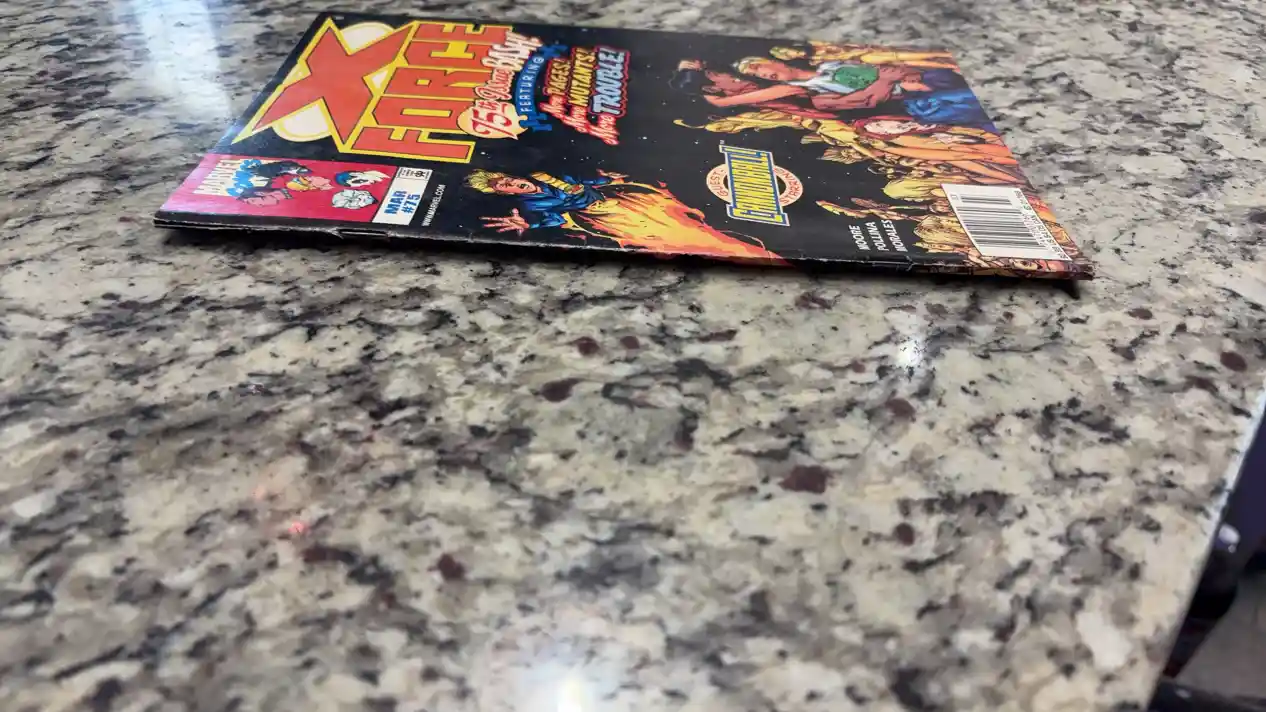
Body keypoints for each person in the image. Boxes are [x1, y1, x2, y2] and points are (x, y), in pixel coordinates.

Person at [464, 169, 784, 262]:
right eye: (504, 187)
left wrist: (607, 179)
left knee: (693, 221)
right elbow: (555, 219)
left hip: (625, 200)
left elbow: (583, 181)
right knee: (685, 238)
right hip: (611, 218)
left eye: (507, 179)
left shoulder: (543, 176)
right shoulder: (533, 206)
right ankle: (755, 254)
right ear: (506, 194)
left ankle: (757, 246)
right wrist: (529, 224)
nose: (511, 183)